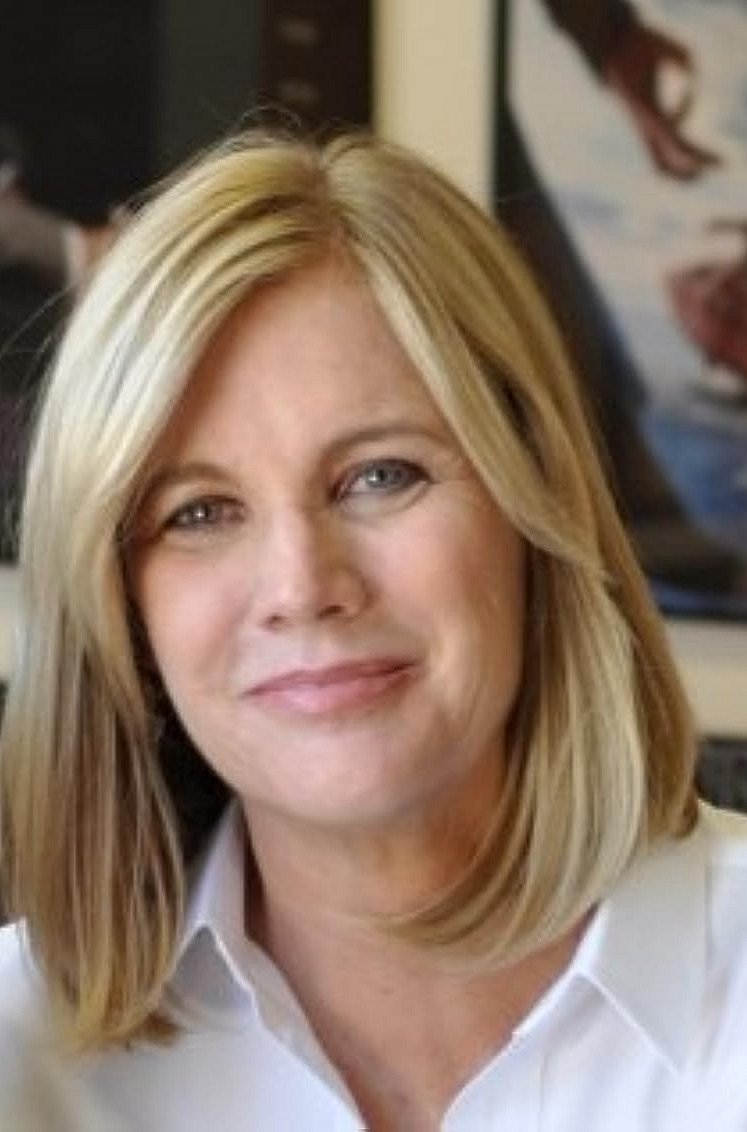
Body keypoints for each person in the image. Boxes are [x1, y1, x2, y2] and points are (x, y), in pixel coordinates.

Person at [0, 131, 745, 1131]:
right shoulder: (24, 1056)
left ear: (533, 502)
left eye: (379, 476)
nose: (302, 586)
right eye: (200, 512)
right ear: (121, 606)